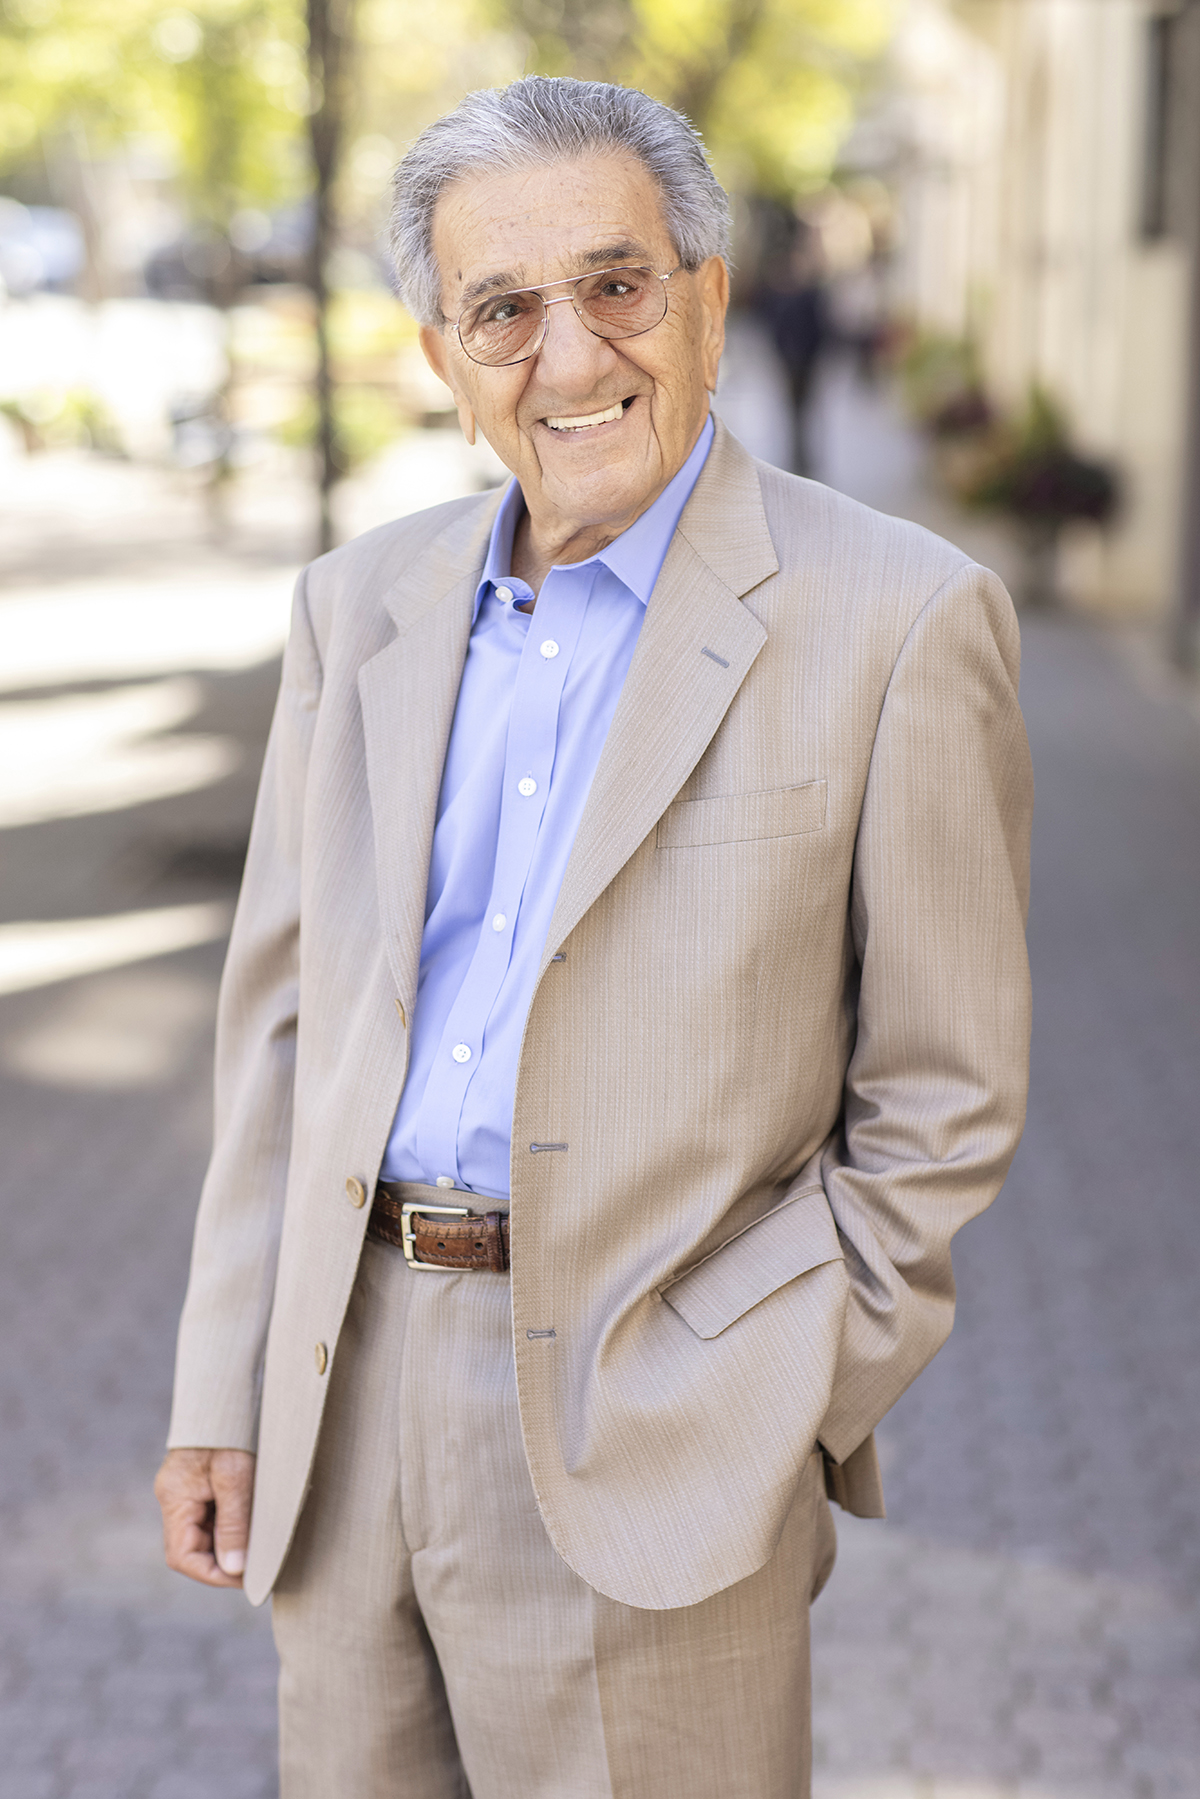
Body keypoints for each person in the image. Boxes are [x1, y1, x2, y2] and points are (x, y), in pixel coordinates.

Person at [155, 75, 1033, 1799]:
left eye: (616, 285)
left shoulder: (904, 618)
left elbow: (944, 1102)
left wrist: (772, 1389)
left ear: (707, 296)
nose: (568, 356)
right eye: (503, 309)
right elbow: (282, 1035)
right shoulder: (355, 606)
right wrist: (221, 1390)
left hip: (655, 1421)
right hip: (343, 1399)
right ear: (443, 355)